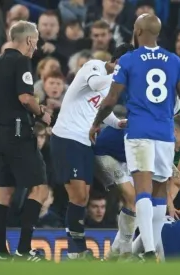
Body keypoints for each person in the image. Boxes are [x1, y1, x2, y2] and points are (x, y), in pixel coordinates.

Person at [90, 13, 180, 261]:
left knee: (142, 190)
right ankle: (151, 249)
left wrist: (97, 122)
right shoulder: (174, 61)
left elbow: (111, 98)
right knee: (161, 190)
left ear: (138, 31)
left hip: (139, 132)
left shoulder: (129, 60)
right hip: (165, 134)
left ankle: (149, 249)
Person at [50, 43, 134, 260]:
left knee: (83, 196)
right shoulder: (93, 66)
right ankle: (76, 251)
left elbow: (100, 110)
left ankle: (77, 250)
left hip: (85, 141)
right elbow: (96, 85)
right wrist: (120, 74)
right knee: (78, 195)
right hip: (67, 136)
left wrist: (118, 123)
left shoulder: (110, 86)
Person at [0, 20, 51, 262]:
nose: (36, 46)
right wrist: (41, 112)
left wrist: (4, 108)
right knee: (40, 188)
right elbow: (24, 98)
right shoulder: (22, 61)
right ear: (29, 40)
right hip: (19, 134)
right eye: (36, 41)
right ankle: (23, 249)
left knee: (3, 192)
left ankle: (1, 253)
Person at [95, 114, 180, 261]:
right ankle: (123, 254)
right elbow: (178, 178)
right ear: (175, 131)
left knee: (140, 205)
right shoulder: (157, 140)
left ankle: (112, 256)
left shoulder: (163, 140)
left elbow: (177, 177)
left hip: (124, 158)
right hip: (104, 154)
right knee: (133, 200)